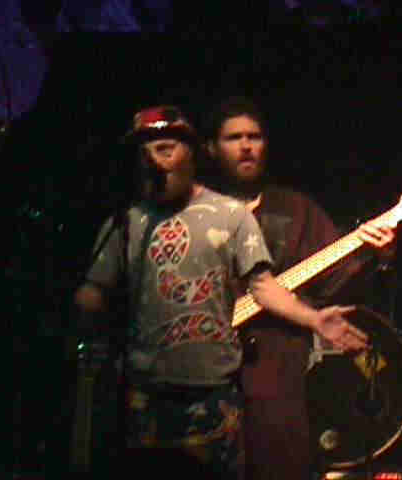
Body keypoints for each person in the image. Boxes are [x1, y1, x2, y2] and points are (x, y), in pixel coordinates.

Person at [72, 105, 370, 479]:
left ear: (191, 152)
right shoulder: (126, 222)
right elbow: (94, 291)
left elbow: (263, 287)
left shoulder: (230, 215)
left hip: (213, 394)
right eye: (143, 151)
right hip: (143, 395)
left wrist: (314, 319)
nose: (154, 160)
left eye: (165, 148)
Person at [200, 96, 396, 480]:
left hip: (277, 368)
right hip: (202, 367)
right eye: (234, 138)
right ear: (210, 148)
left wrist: (376, 256)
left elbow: (337, 284)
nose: (246, 146)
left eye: (254, 137)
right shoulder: (194, 210)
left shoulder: (296, 210)